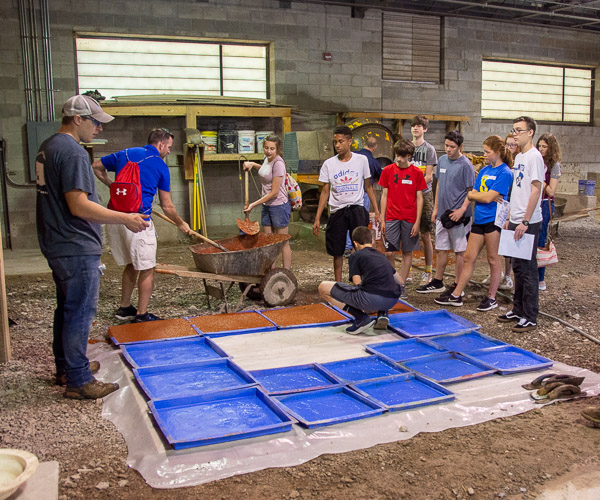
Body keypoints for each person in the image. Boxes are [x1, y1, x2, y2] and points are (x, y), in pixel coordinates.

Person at [36, 95, 149, 399]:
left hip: (57, 241)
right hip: (75, 243)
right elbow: (79, 205)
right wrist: (124, 218)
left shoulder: (49, 146)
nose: (99, 128)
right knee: (80, 313)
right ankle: (79, 380)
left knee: (67, 308)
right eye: (95, 122)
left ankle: (67, 367)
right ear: (77, 119)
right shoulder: (73, 152)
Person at [93, 128, 190, 323]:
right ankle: (142, 314)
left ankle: (124, 308)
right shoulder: (160, 165)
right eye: (169, 147)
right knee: (147, 268)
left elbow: (96, 166)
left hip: (116, 218)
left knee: (132, 264)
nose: (169, 151)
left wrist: (114, 187)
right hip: (138, 222)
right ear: (160, 144)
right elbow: (167, 206)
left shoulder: (126, 153)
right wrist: (181, 224)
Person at [434, 135, 513, 311]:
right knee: (469, 257)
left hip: (493, 220)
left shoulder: (505, 172)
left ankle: (491, 297)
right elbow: (474, 194)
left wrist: (477, 196)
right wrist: (476, 196)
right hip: (480, 218)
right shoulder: (484, 171)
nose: (484, 155)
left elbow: (487, 197)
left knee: (493, 259)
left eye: (487, 152)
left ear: (497, 152)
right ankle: (456, 295)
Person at [313, 126, 381, 282]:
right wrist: (317, 217)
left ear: (350, 142)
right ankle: (338, 284)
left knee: (361, 246)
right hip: (338, 210)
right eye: (335, 142)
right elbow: (325, 191)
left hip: (356, 208)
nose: (337, 145)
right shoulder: (329, 164)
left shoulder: (361, 160)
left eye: (341, 141)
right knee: (337, 249)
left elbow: (368, 186)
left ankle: (360, 281)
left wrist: (377, 211)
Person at [497, 116, 544, 333]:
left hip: (528, 221)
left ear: (530, 132)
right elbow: (517, 189)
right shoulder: (519, 156)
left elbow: (536, 189)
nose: (515, 134)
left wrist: (525, 220)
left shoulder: (534, 157)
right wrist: (510, 217)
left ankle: (530, 315)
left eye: (519, 130)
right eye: (514, 130)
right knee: (517, 267)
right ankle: (518, 309)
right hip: (515, 219)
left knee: (527, 269)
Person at [417, 131, 475, 299]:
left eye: (452, 147)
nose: (448, 149)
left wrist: (462, 210)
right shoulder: (442, 160)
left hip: (458, 216)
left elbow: (470, 191)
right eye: (446, 146)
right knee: (441, 248)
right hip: (442, 214)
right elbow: (439, 185)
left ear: (460, 146)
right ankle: (438, 281)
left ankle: (458, 285)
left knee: (459, 251)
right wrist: (436, 209)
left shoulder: (466, 165)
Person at [318, 226, 403, 334]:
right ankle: (383, 313)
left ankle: (361, 318)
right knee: (380, 283)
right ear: (372, 241)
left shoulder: (356, 255)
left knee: (323, 287)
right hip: (392, 300)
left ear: (355, 243)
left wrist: (362, 304)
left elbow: (356, 282)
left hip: (371, 299)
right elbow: (400, 281)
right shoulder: (381, 256)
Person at [379, 138, 426, 303]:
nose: (399, 159)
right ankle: (393, 282)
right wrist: (382, 218)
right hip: (392, 217)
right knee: (389, 252)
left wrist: (417, 222)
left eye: (402, 156)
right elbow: (384, 195)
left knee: (407, 252)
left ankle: (401, 284)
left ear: (409, 156)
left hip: (410, 218)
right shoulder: (388, 170)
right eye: (397, 155)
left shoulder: (417, 173)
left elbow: (420, 198)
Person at [243, 134, 292, 269]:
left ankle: (286, 274)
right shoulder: (267, 159)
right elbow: (265, 171)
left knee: (282, 241)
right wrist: (253, 164)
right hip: (267, 205)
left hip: (279, 206)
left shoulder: (278, 164)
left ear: (277, 149)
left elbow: (274, 192)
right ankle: (271, 272)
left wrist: (253, 204)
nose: (268, 151)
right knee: (268, 241)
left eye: (272, 149)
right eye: (266, 148)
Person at [343, 135, 382, 256]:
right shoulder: (374, 162)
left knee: (348, 220)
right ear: (375, 147)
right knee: (360, 222)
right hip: (364, 194)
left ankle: (347, 247)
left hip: (349, 192)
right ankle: (359, 247)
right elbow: (380, 177)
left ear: (363, 143)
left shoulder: (353, 156)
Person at [410, 115, 438, 285]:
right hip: (407, 196)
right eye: (414, 125)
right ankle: (408, 271)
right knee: (407, 232)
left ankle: (428, 271)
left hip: (424, 194)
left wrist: (413, 185)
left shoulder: (429, 149)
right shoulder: (406, 147)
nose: (416, 128)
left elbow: (428, 176)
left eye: (419, 126)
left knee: (425, 234)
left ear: (425, 129)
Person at [536, 133, 562, 291]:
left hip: (545, 203)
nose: (541, 149)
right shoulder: (535, 160)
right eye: (539, 146)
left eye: (544, 147)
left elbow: (551, 191)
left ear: (551, 148)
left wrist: (541, 180)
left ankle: (540, 278)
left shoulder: (554, 165)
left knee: (541, 240)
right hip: (533, 201)